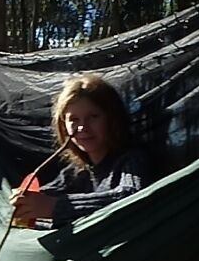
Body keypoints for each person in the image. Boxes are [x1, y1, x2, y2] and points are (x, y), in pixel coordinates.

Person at [10, 74, 154, 231]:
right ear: (63, 125)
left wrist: (57, 208)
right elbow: (50, 193)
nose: (82, 128)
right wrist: (26, 202)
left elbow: (132, 198)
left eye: (93, 117)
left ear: (112, 119)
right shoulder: (78, 171)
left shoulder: (132, 160)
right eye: (74, 119)